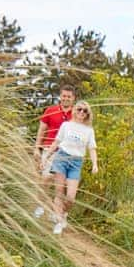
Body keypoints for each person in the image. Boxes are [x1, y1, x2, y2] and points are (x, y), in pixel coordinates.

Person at [43, 100, 98, 235]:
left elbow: (92, 148)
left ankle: (62, 213)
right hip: (61, 158)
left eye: (84, 111)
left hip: (76, 162)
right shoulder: (66, 125)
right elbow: (57, 141)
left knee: (71, 197)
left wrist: (95, 164)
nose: (81, 112)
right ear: (75, 110)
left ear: (87, 114)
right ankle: (58, 221)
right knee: (59, 192)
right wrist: (46, 156)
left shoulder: (89, 131)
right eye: (79, 109)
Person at [33, 84, 75, 218]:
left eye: (69, 96)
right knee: (45, 179)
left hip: (68, 153)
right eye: (64, 96)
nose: (66, 98)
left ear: (73, 98)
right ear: (60, 96)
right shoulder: (50, 111)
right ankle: (40, 205)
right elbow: (41, 130)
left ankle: (57, 212)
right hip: (49, 149)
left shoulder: (78, 113)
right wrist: (37, 148)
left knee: (62, 185)